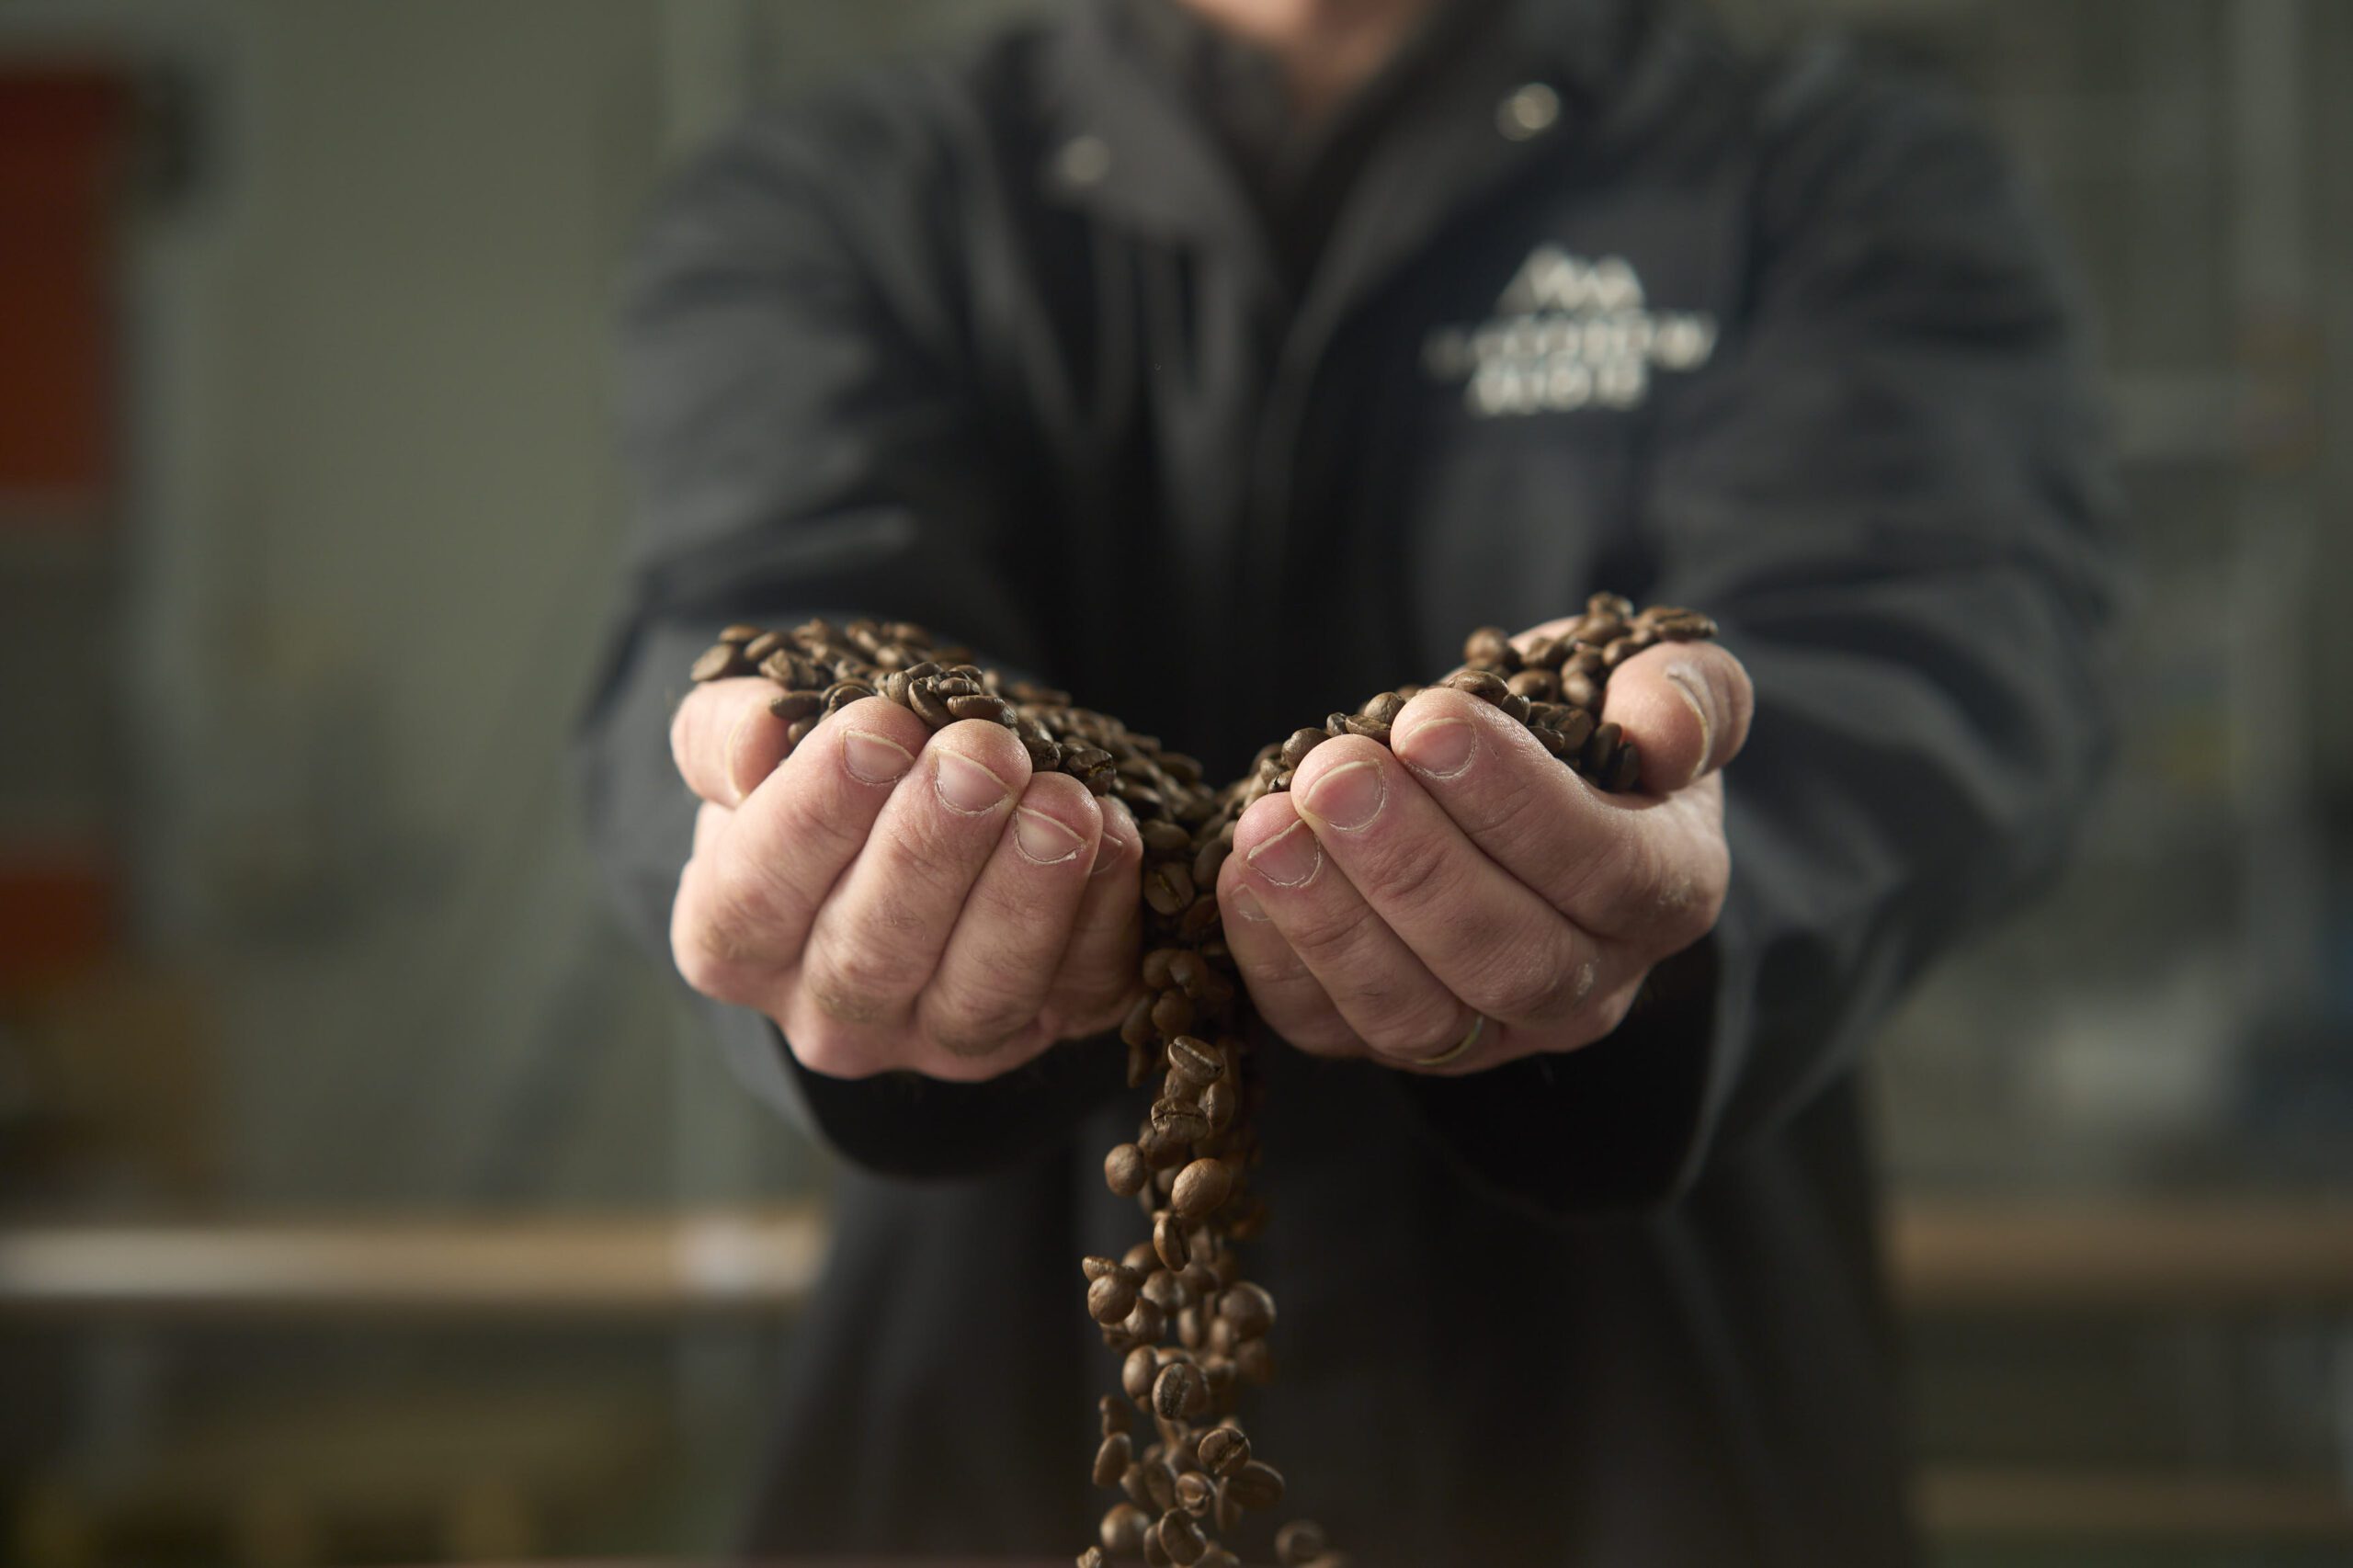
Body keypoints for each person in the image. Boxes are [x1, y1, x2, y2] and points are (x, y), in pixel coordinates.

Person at [574, 0, 2121, 1562]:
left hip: (1651, 1435)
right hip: (987, 1426)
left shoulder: (1821, 165)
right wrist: (792, 808)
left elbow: (1941, 646)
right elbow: (746, 607)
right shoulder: (853, 195)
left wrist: (1704, 859)